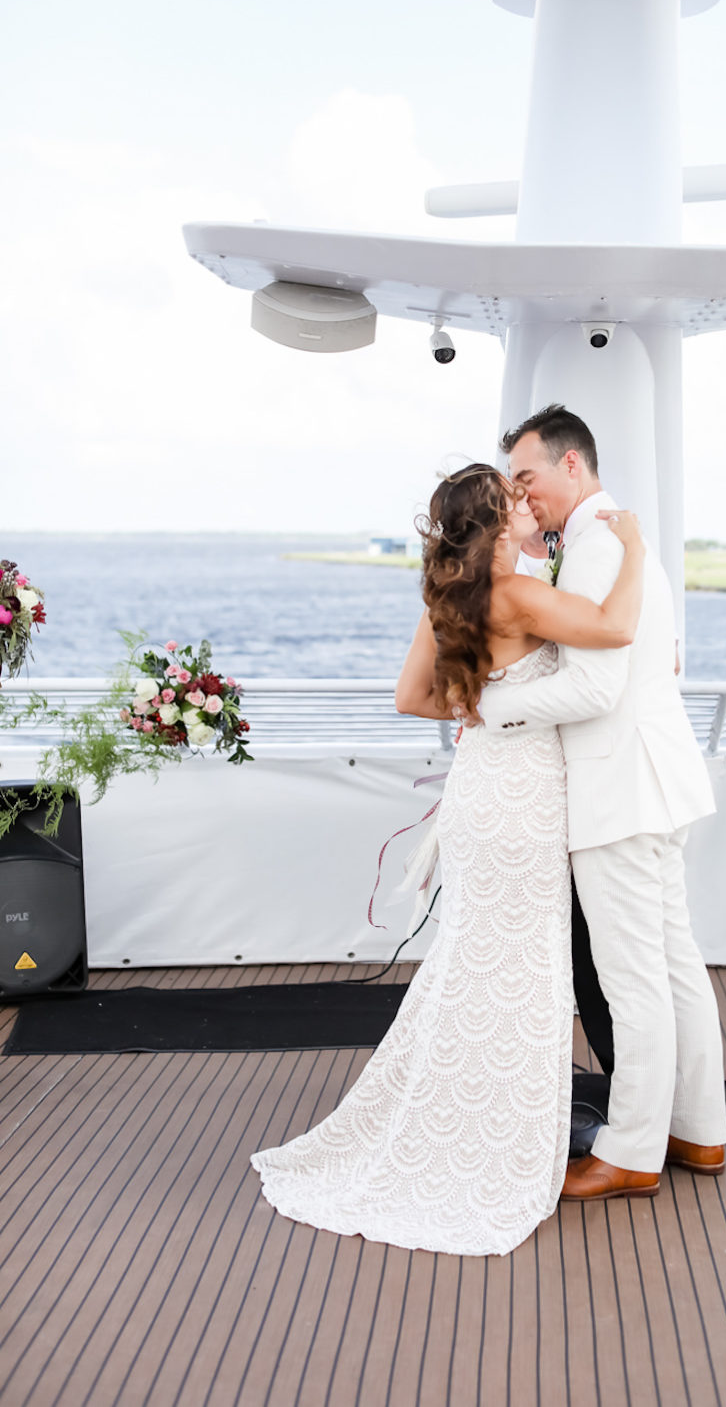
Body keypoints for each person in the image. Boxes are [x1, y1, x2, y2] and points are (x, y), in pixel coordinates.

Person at [250, 464, 644, 1255]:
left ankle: (461, 1113)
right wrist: (633, 550)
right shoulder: (518, 593)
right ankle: (496, 1131)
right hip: (526, 802)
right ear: (498, 526)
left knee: (471, 962)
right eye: (516, 504)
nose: (529, 509)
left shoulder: (448, 598)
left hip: (476, 796)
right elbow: (615, 629)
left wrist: (475, 706)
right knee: (525, 970)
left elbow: (412, 699)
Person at [475, 405, 726, 1201]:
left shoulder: (591, 547)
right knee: (676, 965)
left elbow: (593, 684)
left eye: (527, 477)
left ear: (572, 466)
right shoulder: (618, 544)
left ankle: (631, 1151)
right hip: (661, 779)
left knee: (633, 979)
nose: (523, 495)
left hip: (620, 788)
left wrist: (494, 709)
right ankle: (699, 1131)